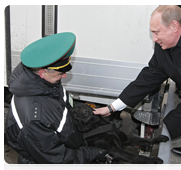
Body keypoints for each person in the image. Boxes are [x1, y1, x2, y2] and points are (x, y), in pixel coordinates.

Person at [94, 5, 181, 159]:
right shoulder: (163, 47)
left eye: (157, 32)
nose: (154, 39)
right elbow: (148, 77)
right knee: (167, 129)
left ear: (174, 26)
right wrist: (112, 107)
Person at [5, 32, 107, 170]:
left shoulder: (47, 84)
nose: (64, 76)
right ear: (42, 72)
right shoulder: (32, 118)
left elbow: (64, 108)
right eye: (60, 73)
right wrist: (88, 154)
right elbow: (56, 160)